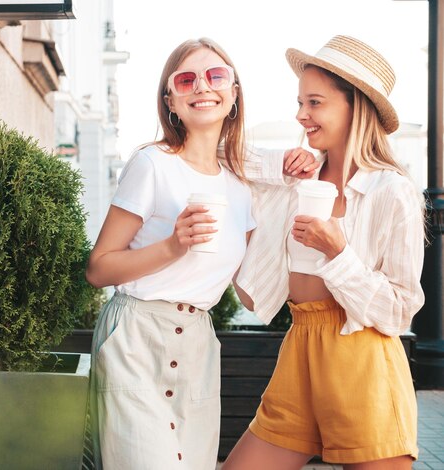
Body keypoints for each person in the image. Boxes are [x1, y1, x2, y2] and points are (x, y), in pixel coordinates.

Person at [85, 37, 316, 470]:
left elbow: (250, 294)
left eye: (216, 76)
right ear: (170, 100)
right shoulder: (151, 164)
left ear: (233, 95)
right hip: (136, 338)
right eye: (186, 79)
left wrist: (299, 192)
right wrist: (173, 245)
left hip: (197, 348)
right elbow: (99, 269)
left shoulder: (241, 188)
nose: (202, 87)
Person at [222, 35, 425, 470]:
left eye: (315, 102)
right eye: (299, 102)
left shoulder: (393, 190)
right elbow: (214, 154)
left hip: (364, 359)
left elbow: (401, 311)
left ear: (356, 107)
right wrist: (279, 163)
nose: (301, 115)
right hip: (300, 346)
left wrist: (339, 253)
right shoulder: (300, 176)